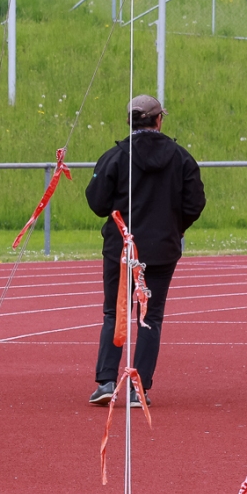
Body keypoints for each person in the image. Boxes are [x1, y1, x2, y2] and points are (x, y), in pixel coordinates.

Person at [84, 94, 206, 405]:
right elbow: (195, 203)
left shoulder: (115, 157)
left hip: (122, 247)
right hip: (162, 249)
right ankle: (138, 388)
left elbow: (97, 202)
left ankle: (106, 381)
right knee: (150, 317)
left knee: (115, 312)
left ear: (129, 121)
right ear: (159, 120)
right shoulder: (181, 158)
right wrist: (176, 227)